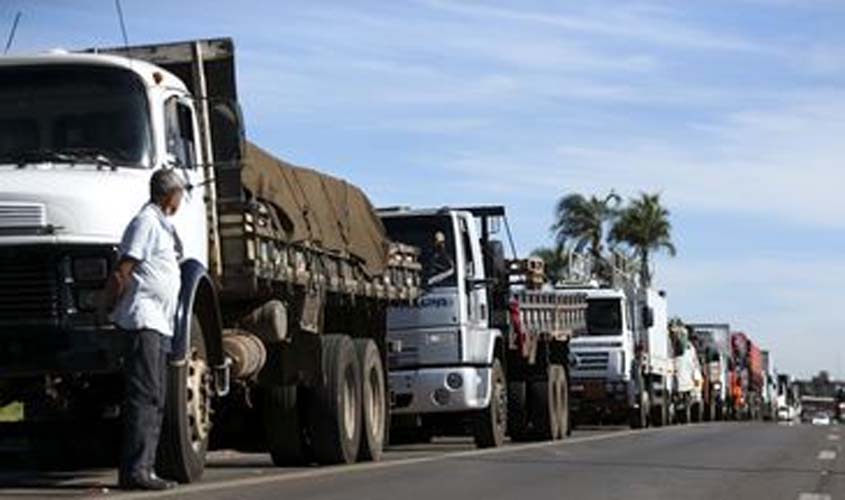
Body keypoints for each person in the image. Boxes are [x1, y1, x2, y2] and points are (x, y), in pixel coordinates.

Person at [100, 169, 185, 491]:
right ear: (169, 195)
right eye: (179, 193)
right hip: (143, 321)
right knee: (145, 397)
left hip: (158, 324)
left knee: (156, 397)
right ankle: (137, 471)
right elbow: (124, 270)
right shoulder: (146, 223)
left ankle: (144, 467)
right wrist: (105, 307)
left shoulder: (161, 224)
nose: (181, 199)